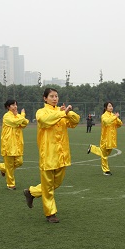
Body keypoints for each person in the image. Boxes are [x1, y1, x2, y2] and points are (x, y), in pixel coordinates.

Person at [23, 88, 80, 223]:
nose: (55, 98)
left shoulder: (61, 112)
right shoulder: (41, 112)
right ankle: (51, 214)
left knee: (56, 183)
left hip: (62, 154)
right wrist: (61, 114)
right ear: (45, 98)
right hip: (48, 154)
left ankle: (31, 192)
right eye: (51, 96)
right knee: (48, 186)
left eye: (56, 96)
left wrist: (68, 112)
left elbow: (75, 122)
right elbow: (45, 121)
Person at [0, 99, 29, 190]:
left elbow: (25, 122)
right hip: (8, 144)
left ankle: (2, 167)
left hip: (17, 144)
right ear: (8, 107)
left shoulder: (17, 116)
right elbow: (16, 122)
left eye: (16, 105)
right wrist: (22, 115)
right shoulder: (7, 116)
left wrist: (20, 116)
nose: (15, 107)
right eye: (12, 105)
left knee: (19, 162)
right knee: (10, 166)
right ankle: (11, 184)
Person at [87, 101, 123, 175]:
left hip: (112, 139)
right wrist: (115, 117)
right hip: (105, 138)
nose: (111, 107)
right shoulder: (104, 116)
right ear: (105, 108)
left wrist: (116, 118)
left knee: (106, 153)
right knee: (104, 155)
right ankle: (106, 170)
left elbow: (119, 124)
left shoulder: (113, 115)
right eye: (109, 106)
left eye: (112, 106)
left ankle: (92, 148)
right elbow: (107, 122)